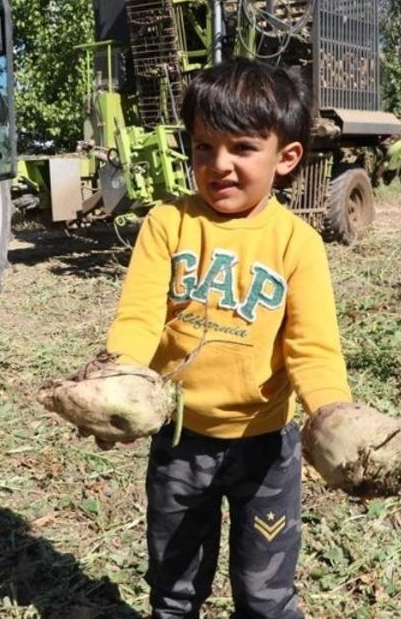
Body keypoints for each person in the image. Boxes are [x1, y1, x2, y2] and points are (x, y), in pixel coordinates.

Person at [104, 58, 353, 619]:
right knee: (174, 588)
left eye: (241, 148)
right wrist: (117, 377)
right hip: (179, 442)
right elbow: (140, 317)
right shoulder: (167, 225)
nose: (220, 165)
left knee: (265, 596)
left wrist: (335, 415)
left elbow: (312, 347)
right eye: (203, 148)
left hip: (266, 449)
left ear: (285, 157)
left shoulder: (297, 243)